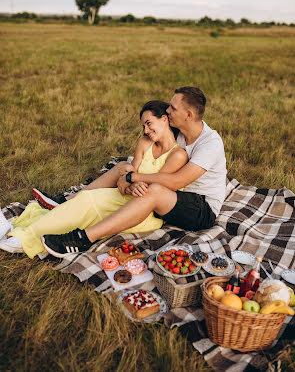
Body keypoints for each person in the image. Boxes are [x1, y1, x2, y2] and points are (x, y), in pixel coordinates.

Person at [40, 86, 227, 258]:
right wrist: (129, 177)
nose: (168, 111)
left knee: (152, 190)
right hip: (175, 194)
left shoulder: (210, 143)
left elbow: (176, 181)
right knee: (123, 166)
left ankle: (82, 239)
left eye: (173, 108)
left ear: (188, 115)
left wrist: (134, 177)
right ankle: (67, 200)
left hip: (201, 208)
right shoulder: (177, 131)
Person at [0, 100, 188, 257]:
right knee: (83, 202)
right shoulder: (144, 143)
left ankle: (25, 239)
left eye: (149, 123)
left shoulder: (177, 155)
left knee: (87, 200)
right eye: (143, 125)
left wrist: (130, 181)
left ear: (164, 119)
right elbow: (128, 176)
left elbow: (153, 188)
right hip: (125, 195)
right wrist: (129, 182)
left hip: (144, 212)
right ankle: (24, 229)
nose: (146, 130)